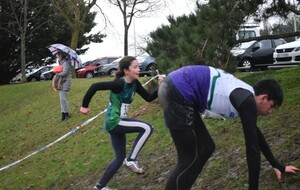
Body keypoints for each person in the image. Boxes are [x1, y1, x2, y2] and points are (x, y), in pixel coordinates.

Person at [157, 65, 299, 190]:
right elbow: (253, 151)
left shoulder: (246, 95)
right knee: (188, 158)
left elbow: (256, 135)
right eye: (272, 106)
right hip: (179, 90)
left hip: (178, 89)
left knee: (206, 147)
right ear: (263, 98)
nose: (270, 112)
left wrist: (278, 165)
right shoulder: (247, 100)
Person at [80, 56, 158, 190]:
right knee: (147, 127)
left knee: (119, 157)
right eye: (135, 67)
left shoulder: (135, 84)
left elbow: (149, 98)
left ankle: (99, 187)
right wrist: (84, 106)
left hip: (119, 123)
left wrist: (160, 87)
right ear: (126, 70)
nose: (139, 69)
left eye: (138, 66)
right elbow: (94, 86)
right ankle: (131, 160)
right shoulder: (119, 84)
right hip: (114, 121)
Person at [54, 51, 72, 121]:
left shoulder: (65, 63)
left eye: (58, 56)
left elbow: (65, 72)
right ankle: (63, 114)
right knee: (61, 99)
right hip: (61, 82)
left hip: (66, 82)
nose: (57, 57)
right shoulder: (61, 63)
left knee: (63, 99)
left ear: (61, 56)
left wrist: (57, 74)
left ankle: (66, 114)